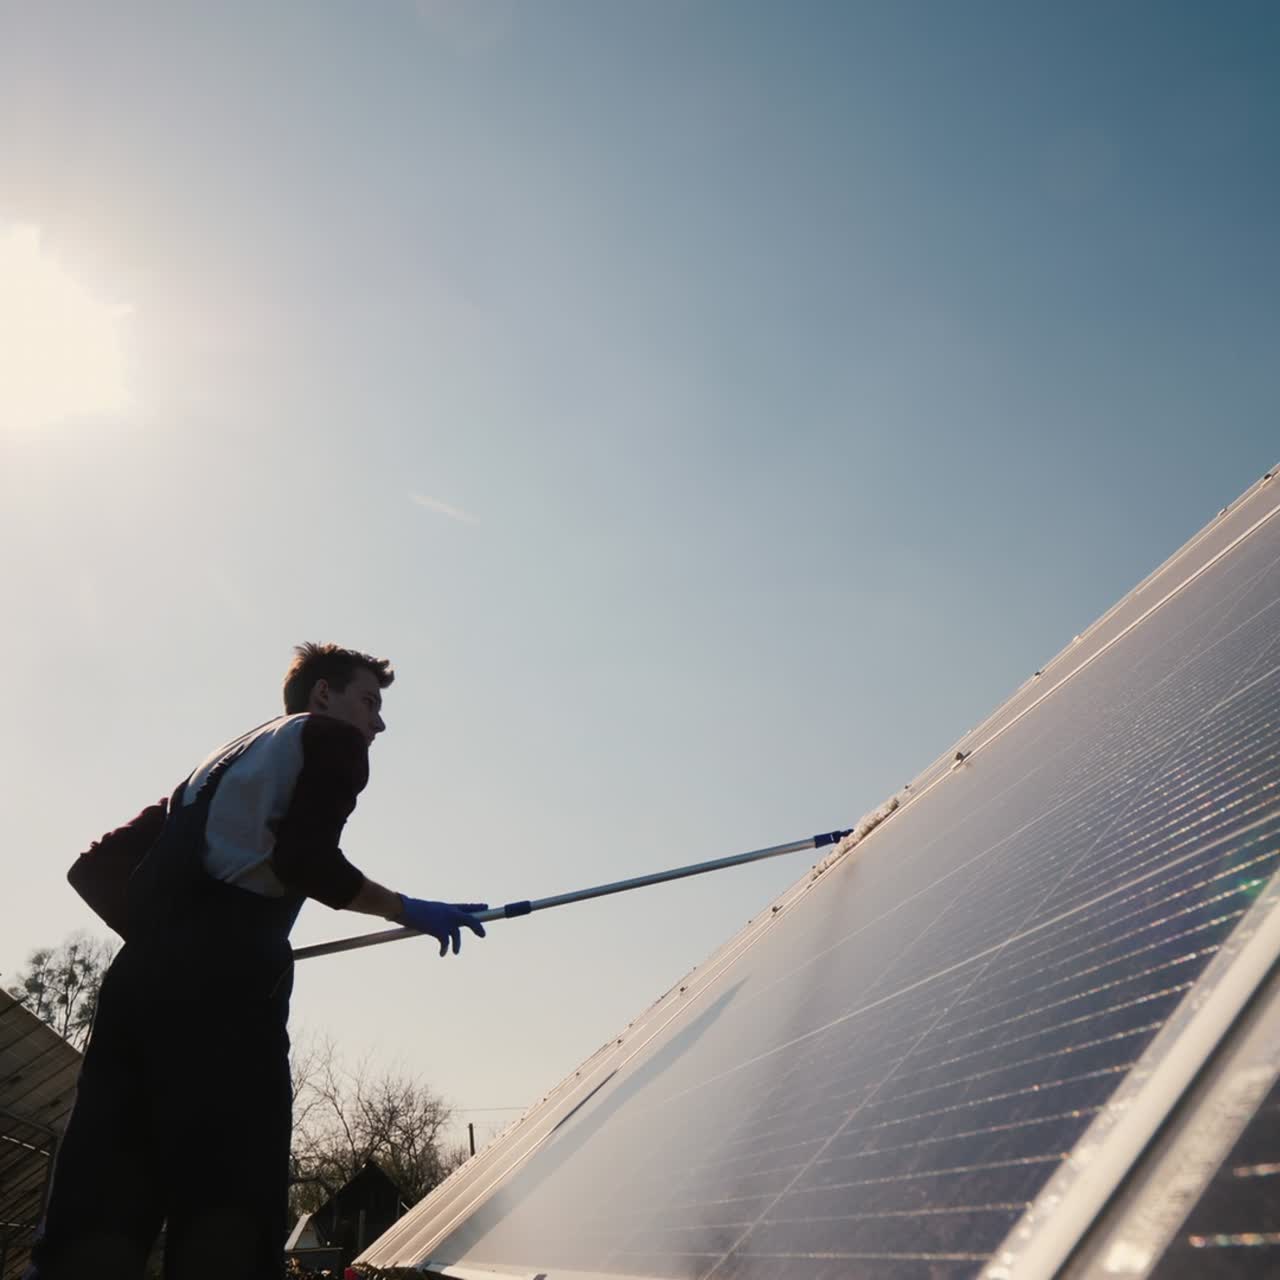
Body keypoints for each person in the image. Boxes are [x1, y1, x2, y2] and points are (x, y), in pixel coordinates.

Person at [27, 643, 487, 1280]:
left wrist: (176, 937)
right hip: (227, 1000)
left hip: (136, 988)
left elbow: (94, 868)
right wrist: (408, 908)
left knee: (102, 1196)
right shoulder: (331, 741)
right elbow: (306, 862)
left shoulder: (218, 766)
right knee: (230, 1198)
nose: (378, 724)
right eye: (370, 702)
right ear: (324, 694)